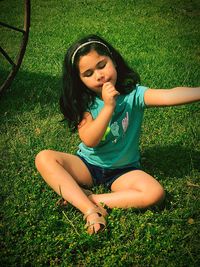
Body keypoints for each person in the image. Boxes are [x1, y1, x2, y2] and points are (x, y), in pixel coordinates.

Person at [35, 34, 200, 235]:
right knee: (44, 158)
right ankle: (90, 211)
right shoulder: (84, 103)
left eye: (102, 65)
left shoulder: (135, 95)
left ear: (113, 60)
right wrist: (108, 107)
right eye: (88, 73)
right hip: (88, 165)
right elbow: (90, 139)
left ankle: (89, 199)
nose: (99, 75)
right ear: (79, 80)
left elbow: (169, 95)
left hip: (123, 171)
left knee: (155, 193)